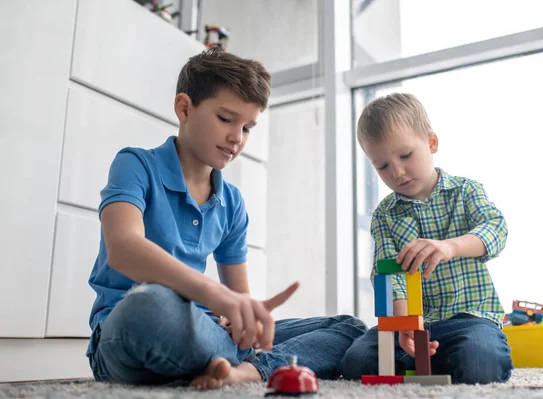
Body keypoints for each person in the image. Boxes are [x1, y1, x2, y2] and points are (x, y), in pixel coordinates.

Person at [86, 48, 367, 390]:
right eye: (226, 119)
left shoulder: (232, 202)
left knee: (349, 328)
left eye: (247, 127)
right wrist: (217, 298)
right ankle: (245, 363)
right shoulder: (135, 165)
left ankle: (244, 372)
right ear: (184, 108)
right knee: (149, 304)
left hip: (210, 333)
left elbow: (238, 307)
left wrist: (247, 319)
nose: (237, 137)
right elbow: (124, 249)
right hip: (130, 329)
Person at [339, 93, 513, 384]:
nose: (397, 171)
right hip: (409, 324)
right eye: (382, 166)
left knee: (481, 363)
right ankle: (434, 362)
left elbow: (496, 229)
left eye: (405, 155)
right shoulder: (385, 214)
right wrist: (406, 325)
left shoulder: (466, 191)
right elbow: (386, 274)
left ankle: (446, 360)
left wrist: (450, 247)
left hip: (468, 319)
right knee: (357, 362)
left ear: (431, 143)